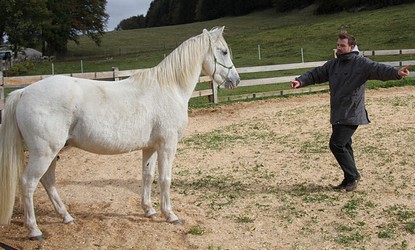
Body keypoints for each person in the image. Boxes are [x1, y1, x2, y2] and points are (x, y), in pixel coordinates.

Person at [290, 31, 411, 192]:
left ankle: (353, 176)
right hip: (338, 112)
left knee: (336, 144)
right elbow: (317, 73)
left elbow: (379, 69)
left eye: (342, 45)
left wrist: (396, 73)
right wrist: (301, 80)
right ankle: (348, 179)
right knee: (345, 145)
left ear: (352, 46)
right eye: (338, 45)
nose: (338, 48)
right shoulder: (334, 64)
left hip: (352, 112)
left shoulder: (361, 63)